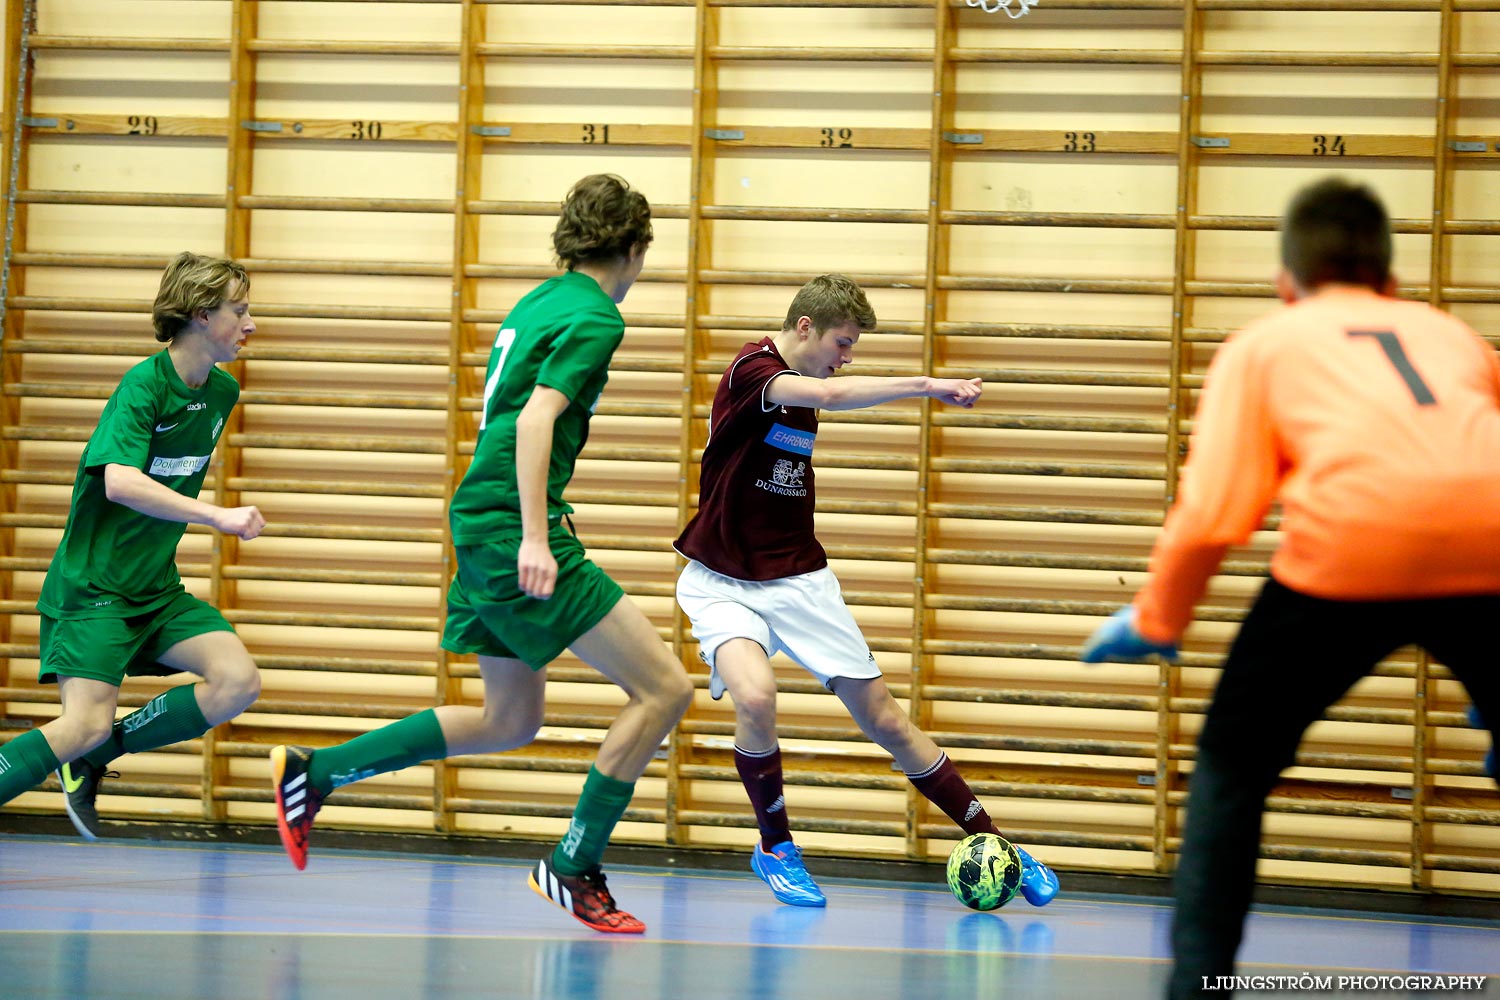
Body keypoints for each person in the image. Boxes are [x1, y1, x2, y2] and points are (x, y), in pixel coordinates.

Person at [1079, 177, 1500, 999]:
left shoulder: (1267, 343)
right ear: (1393, 280)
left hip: (1349, 552)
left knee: (1231, 769)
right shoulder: (1455, 338)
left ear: (1286, 282)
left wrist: (1157, 617)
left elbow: (1212, 515)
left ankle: (1198, 986)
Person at [269, 173, 693, 935]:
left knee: (508, 717)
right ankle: (572, 866)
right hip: (508, 526)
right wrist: (536, 534)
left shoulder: (538, 300)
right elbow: (534, 422)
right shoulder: (597, 316)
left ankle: (317, 772)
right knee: (665, 691)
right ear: (634, 250)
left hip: (480, 517)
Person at [673, 273, 1060, 908]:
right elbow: (835, 391)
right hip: (722, 582)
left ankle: (1000, 845)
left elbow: (824, 394)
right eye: (843, 342)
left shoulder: (799, 389)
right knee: (755, 693)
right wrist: (930, 385)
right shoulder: (755, 373)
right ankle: (776, 848)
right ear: (806, 329)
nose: (846, 355)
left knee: (885, 720)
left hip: (798, 579)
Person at [0, 251, 265, 839]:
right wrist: (217, 516)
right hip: (95, 589)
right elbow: (120, 483)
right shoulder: (142, 388)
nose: (251, 324)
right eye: (239, 311)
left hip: (155, 590)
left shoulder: (221, 392)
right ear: (200, 314)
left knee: (237, 681)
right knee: (82, 724)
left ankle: (94, 758)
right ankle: (86, 748)